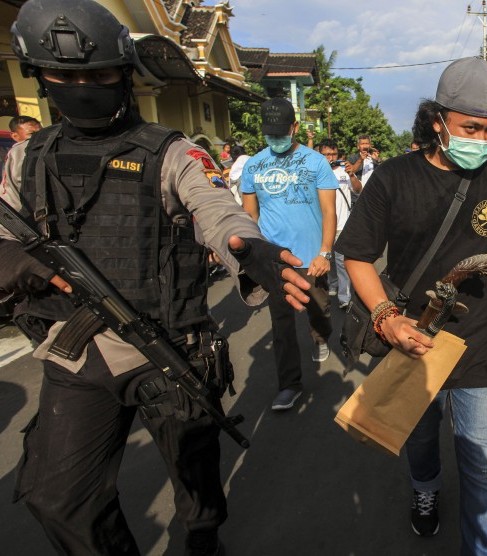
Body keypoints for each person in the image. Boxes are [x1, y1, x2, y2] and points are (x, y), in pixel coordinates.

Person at [0, 1, 310, 554]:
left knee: (195, 482)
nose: (83, 86)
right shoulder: (26, 159)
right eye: (66, 77)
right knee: (57, 496)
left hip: (168, 346)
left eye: (98, 74)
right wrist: (21, 264)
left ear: (124, 73)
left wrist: (247, 246)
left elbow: (217, 211)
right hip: (75, 354)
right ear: (40, 78)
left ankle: (203, 537)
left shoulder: (171, 152)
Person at [336, 57, 487, 554]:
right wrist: (386, 317)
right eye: (471, 128)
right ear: (438, 120)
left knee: (483, 463)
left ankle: (484, 549)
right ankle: (425, 490)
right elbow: (356, 256)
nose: (483, 141)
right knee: (420, 440)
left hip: (481, 344)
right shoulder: (394, 178)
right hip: (413, 339)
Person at [240, 97, 337, 411]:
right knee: (281, 325)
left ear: (295, 128)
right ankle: (289, 385)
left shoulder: (316, 162)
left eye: (282, 132)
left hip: (312, 258)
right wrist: (254, 260)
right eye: (271, 134)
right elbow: (249, 217)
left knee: (318, 311)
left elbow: (328, 211)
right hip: (276, 263)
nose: (276, 139)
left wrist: (325, 253)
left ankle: (320, 337)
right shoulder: (253, 166)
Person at [319, 138, 361, 309]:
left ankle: (344, 298)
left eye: (333, 154)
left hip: (343, 225)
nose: (330, 157)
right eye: (326, 154)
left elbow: (358, 190)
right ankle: (333, 284)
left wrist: (351, 174)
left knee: (343, 263)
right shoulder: (315, 171)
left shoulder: (344, 171)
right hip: (323, 227)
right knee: (328, 261)